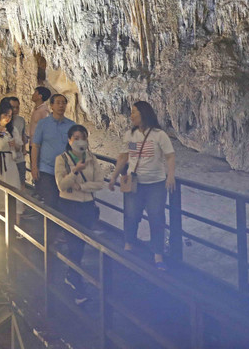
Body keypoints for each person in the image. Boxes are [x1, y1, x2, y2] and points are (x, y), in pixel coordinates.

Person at [108, 101, 176, 270]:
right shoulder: (130, 135)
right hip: (134, 183)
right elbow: (124, 157)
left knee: (156, 218)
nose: (131, 116)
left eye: (134, 113)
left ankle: (158, 255)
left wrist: (171, 176)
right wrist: (113, 176)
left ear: (144, 114)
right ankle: (128, 246)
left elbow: (170, 156)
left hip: (156, 184)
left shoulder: (159, 135)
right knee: (131, 215)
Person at [55, 124, 103, 304]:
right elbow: (61, 185)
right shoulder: (62, 159)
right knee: (75, 245)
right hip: (69, 206)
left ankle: (71, 273)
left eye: (82, 138)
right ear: (69, 140)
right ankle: (77, 285)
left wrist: (82, 186)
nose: (79, 141)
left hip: (87, 207)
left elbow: (99, 183)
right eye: (76, 138)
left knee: (80, 245)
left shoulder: (92, 159)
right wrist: (75, 171)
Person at [31, 94, 75, 210]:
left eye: (63, 103)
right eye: (58, 103)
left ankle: (61, 227)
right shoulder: (43, 124)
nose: (61, 105)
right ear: (51, 106)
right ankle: (50, 227)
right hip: (47, 169)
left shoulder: (71, 126)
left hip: (65, 171)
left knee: (64, 202)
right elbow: (35, 146)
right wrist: (34, 167)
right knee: (50, 201)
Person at [2, 96, 28, 188]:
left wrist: (24, 148)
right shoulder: (3, 121)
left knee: (21, 183)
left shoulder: (21, 120)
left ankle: (21, 201)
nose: (16, 109)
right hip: (7, 157)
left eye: (17, 107)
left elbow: (23, 135)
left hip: (19, 157)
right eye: (13, 107)